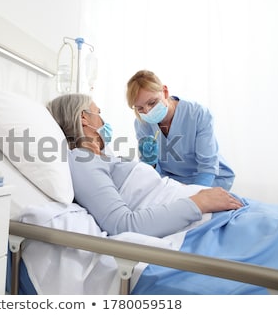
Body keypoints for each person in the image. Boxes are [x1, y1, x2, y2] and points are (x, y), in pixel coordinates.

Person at [46, 93, 244, 238]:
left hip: (205, 209)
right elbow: (123, 224)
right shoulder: (82, 161)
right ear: (84, 118)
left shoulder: (105, 157)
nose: (103, 119)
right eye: (98, 112)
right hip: (197, 219)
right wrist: (199, 202)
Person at [126, 70, 235, 191]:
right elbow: (152, 174)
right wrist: (150, 163)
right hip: (173, 181)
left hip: (209, 179)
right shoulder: (142, 123)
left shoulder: (197, 114)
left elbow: (207, 167)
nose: (147, 111)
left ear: (165, 92)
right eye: (139, 108)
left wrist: (194, 194)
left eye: (152, 102)